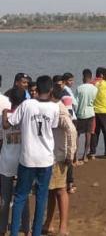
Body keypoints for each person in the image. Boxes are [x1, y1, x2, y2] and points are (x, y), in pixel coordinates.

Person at [3, 75, 59, 236]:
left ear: (35, 90)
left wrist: (5, 114)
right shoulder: (54, 107)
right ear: (50, 90)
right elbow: (53, 126)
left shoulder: (27, 104)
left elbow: (10, 123)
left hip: (28, 158)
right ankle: (35, 232)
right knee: (41, 197)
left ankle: (14, 232)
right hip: (45, 158)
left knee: (20, 196)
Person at [42, 86, 77, 236]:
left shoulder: (58, 108)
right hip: (50, 155)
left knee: (61, 190)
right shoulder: (52, 106)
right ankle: (48, 224)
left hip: (58, 156)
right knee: (51, 191)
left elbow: (72, 130)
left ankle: (63, 227)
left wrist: (70, 154)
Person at [0, 89, 30, 236]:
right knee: (23, 198)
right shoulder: (26, 116)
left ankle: (2, 228)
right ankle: (26, 228)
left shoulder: (4, 116)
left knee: (5, 199)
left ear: (10, 100)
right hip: (22, 162)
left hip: (6, 161)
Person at [91, 68, 106, 159]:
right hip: (105, 112)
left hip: (94, 112)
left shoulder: (92, 83)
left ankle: (92, 152)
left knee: (95, 132)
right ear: (102, 75)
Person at [75, 69, 98, 162]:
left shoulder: (79, 88)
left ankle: (75, 156)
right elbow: (94, 100)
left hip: (80, 114)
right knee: (88, 135)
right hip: (90, 113)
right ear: (91, 77)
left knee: (77, 135)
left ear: (83, 77)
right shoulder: (95, 88)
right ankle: (84, 155)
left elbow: (75, 103)